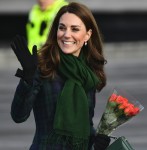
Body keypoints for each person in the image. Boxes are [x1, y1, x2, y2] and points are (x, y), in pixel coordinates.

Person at [10, 2, 111, 150]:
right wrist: (28, 77)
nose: (66, 34)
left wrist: (97, 140)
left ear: (87, 35)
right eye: (62, 28)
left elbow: (84, 125)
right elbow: (18, 116)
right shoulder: (44, 67)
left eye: (74, 29)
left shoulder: (89, 72)